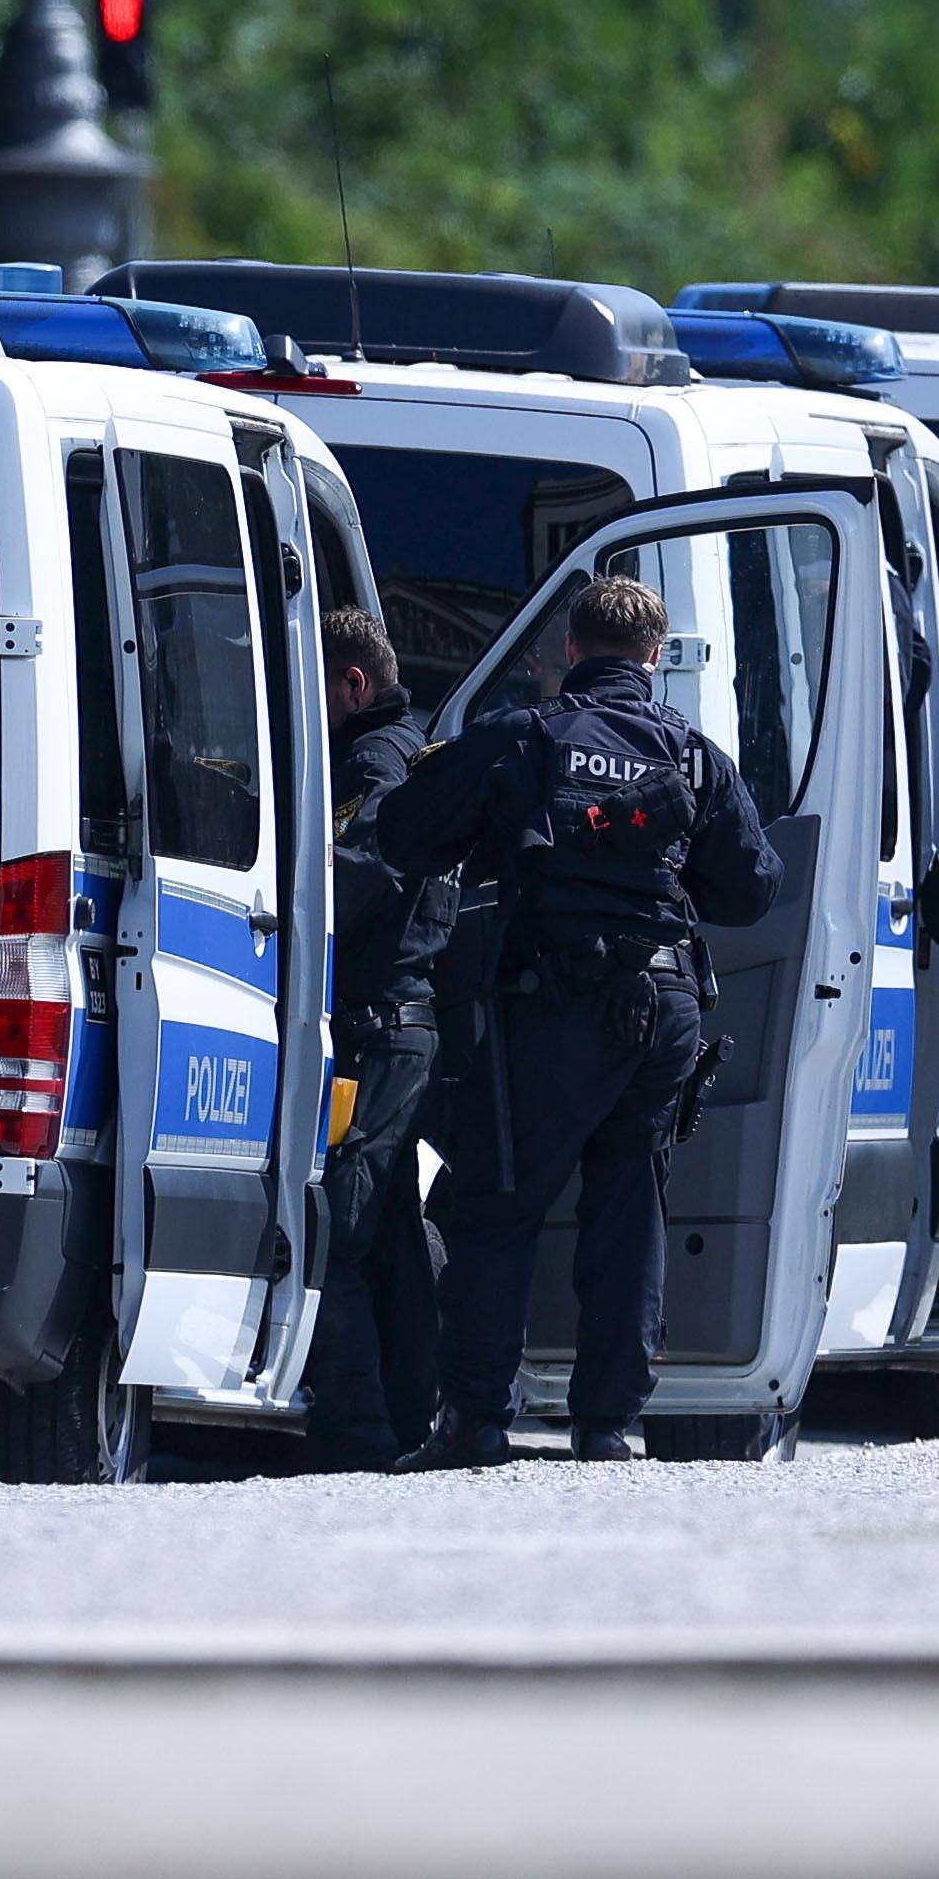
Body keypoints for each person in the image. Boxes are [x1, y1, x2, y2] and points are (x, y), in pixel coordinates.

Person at [367, 570, 779, 1467]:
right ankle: (608, 1426)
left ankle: (475, 1420)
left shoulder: (524, 735)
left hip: (558, 1000)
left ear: (568, 646)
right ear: (655, 656)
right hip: (665, 1005)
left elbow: (402, 832)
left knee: (498, 1201)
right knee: (630, 1210)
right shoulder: (693, 756)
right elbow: (752, 889)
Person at [299, 608, 456, 1471]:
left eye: (314, 685)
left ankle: (352, 1434)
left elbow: (362, 875)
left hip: (376, 1028)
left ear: (352, 683)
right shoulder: (414, 749)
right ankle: (404, 1423)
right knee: (391, 1236)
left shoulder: (372, 761)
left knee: (340, 1232)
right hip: (400, 1026)